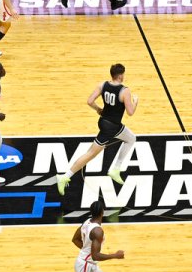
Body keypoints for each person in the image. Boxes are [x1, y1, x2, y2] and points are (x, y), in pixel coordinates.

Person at [56, 63, 139, 194]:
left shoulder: (103, 85)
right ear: (120, 76)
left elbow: (90, 101)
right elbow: (130, 112)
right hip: (112, 127)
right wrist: (135, 102)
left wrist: (98, 109)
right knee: (90, 154)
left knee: (131, 138)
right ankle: (65, 177)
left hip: (104, 122)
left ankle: (115, 169)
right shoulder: (125, 91)